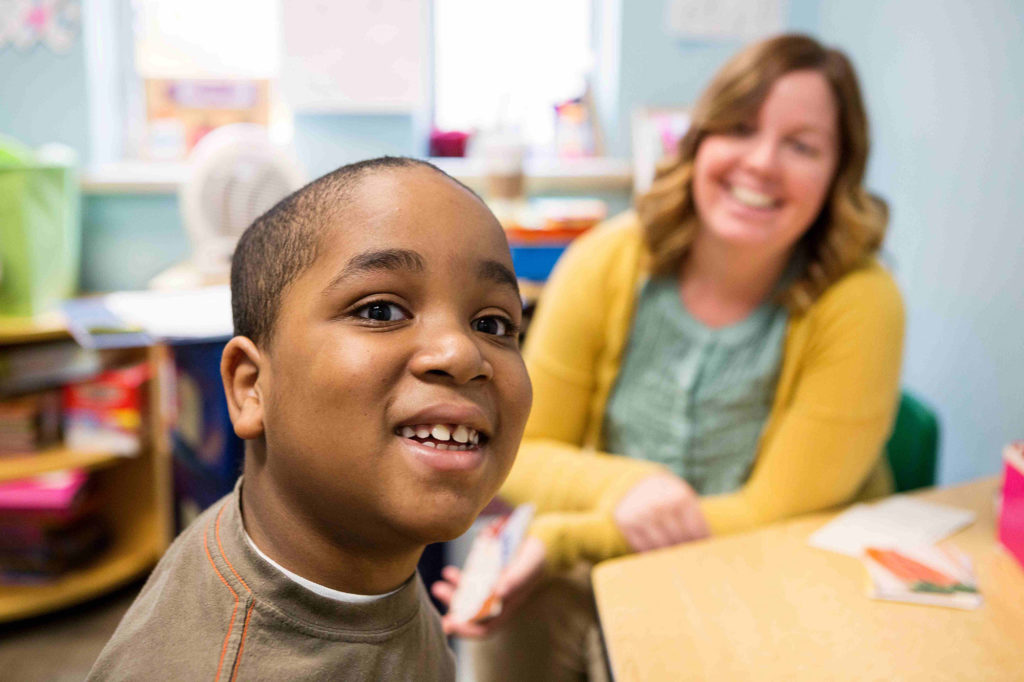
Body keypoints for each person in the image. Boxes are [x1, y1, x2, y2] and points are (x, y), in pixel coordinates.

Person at [433, 34, 905, 681]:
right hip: (595, 565)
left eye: (801, 145)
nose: (762, 163)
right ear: (699, 141)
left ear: (837, 175)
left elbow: (777, 511)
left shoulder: (862, 300)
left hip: (764, 567)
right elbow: (520, 446)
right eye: (739, 129)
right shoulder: (606, 258)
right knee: (505, 616)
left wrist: (569, 536)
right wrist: (629, 489)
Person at [87, 157, 533, 681]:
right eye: (380, 311)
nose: (461, 352)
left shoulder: (350, 556)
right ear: (252, 387)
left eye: (493, 322)